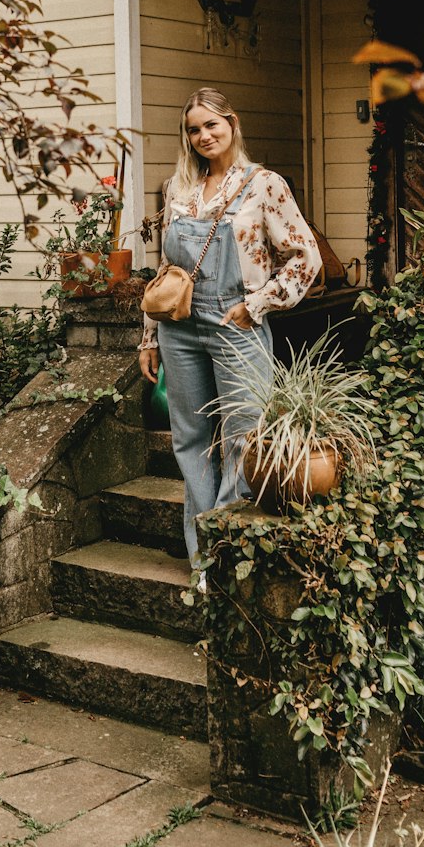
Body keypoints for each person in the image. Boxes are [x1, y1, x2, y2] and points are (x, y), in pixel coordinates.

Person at [138, 87, 322, 566]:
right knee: (191, 439)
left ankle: (226, 552)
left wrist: (257, 305)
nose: (203, 136)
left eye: (211, 125)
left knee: (243, 438)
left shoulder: (264, 184)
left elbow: (306, 257)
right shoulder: (176, 189)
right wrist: (148, 335)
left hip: (234, 322)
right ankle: (201, 556)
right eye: (194, 129)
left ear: (232, 124)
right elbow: (166, 270)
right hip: (178, 327)